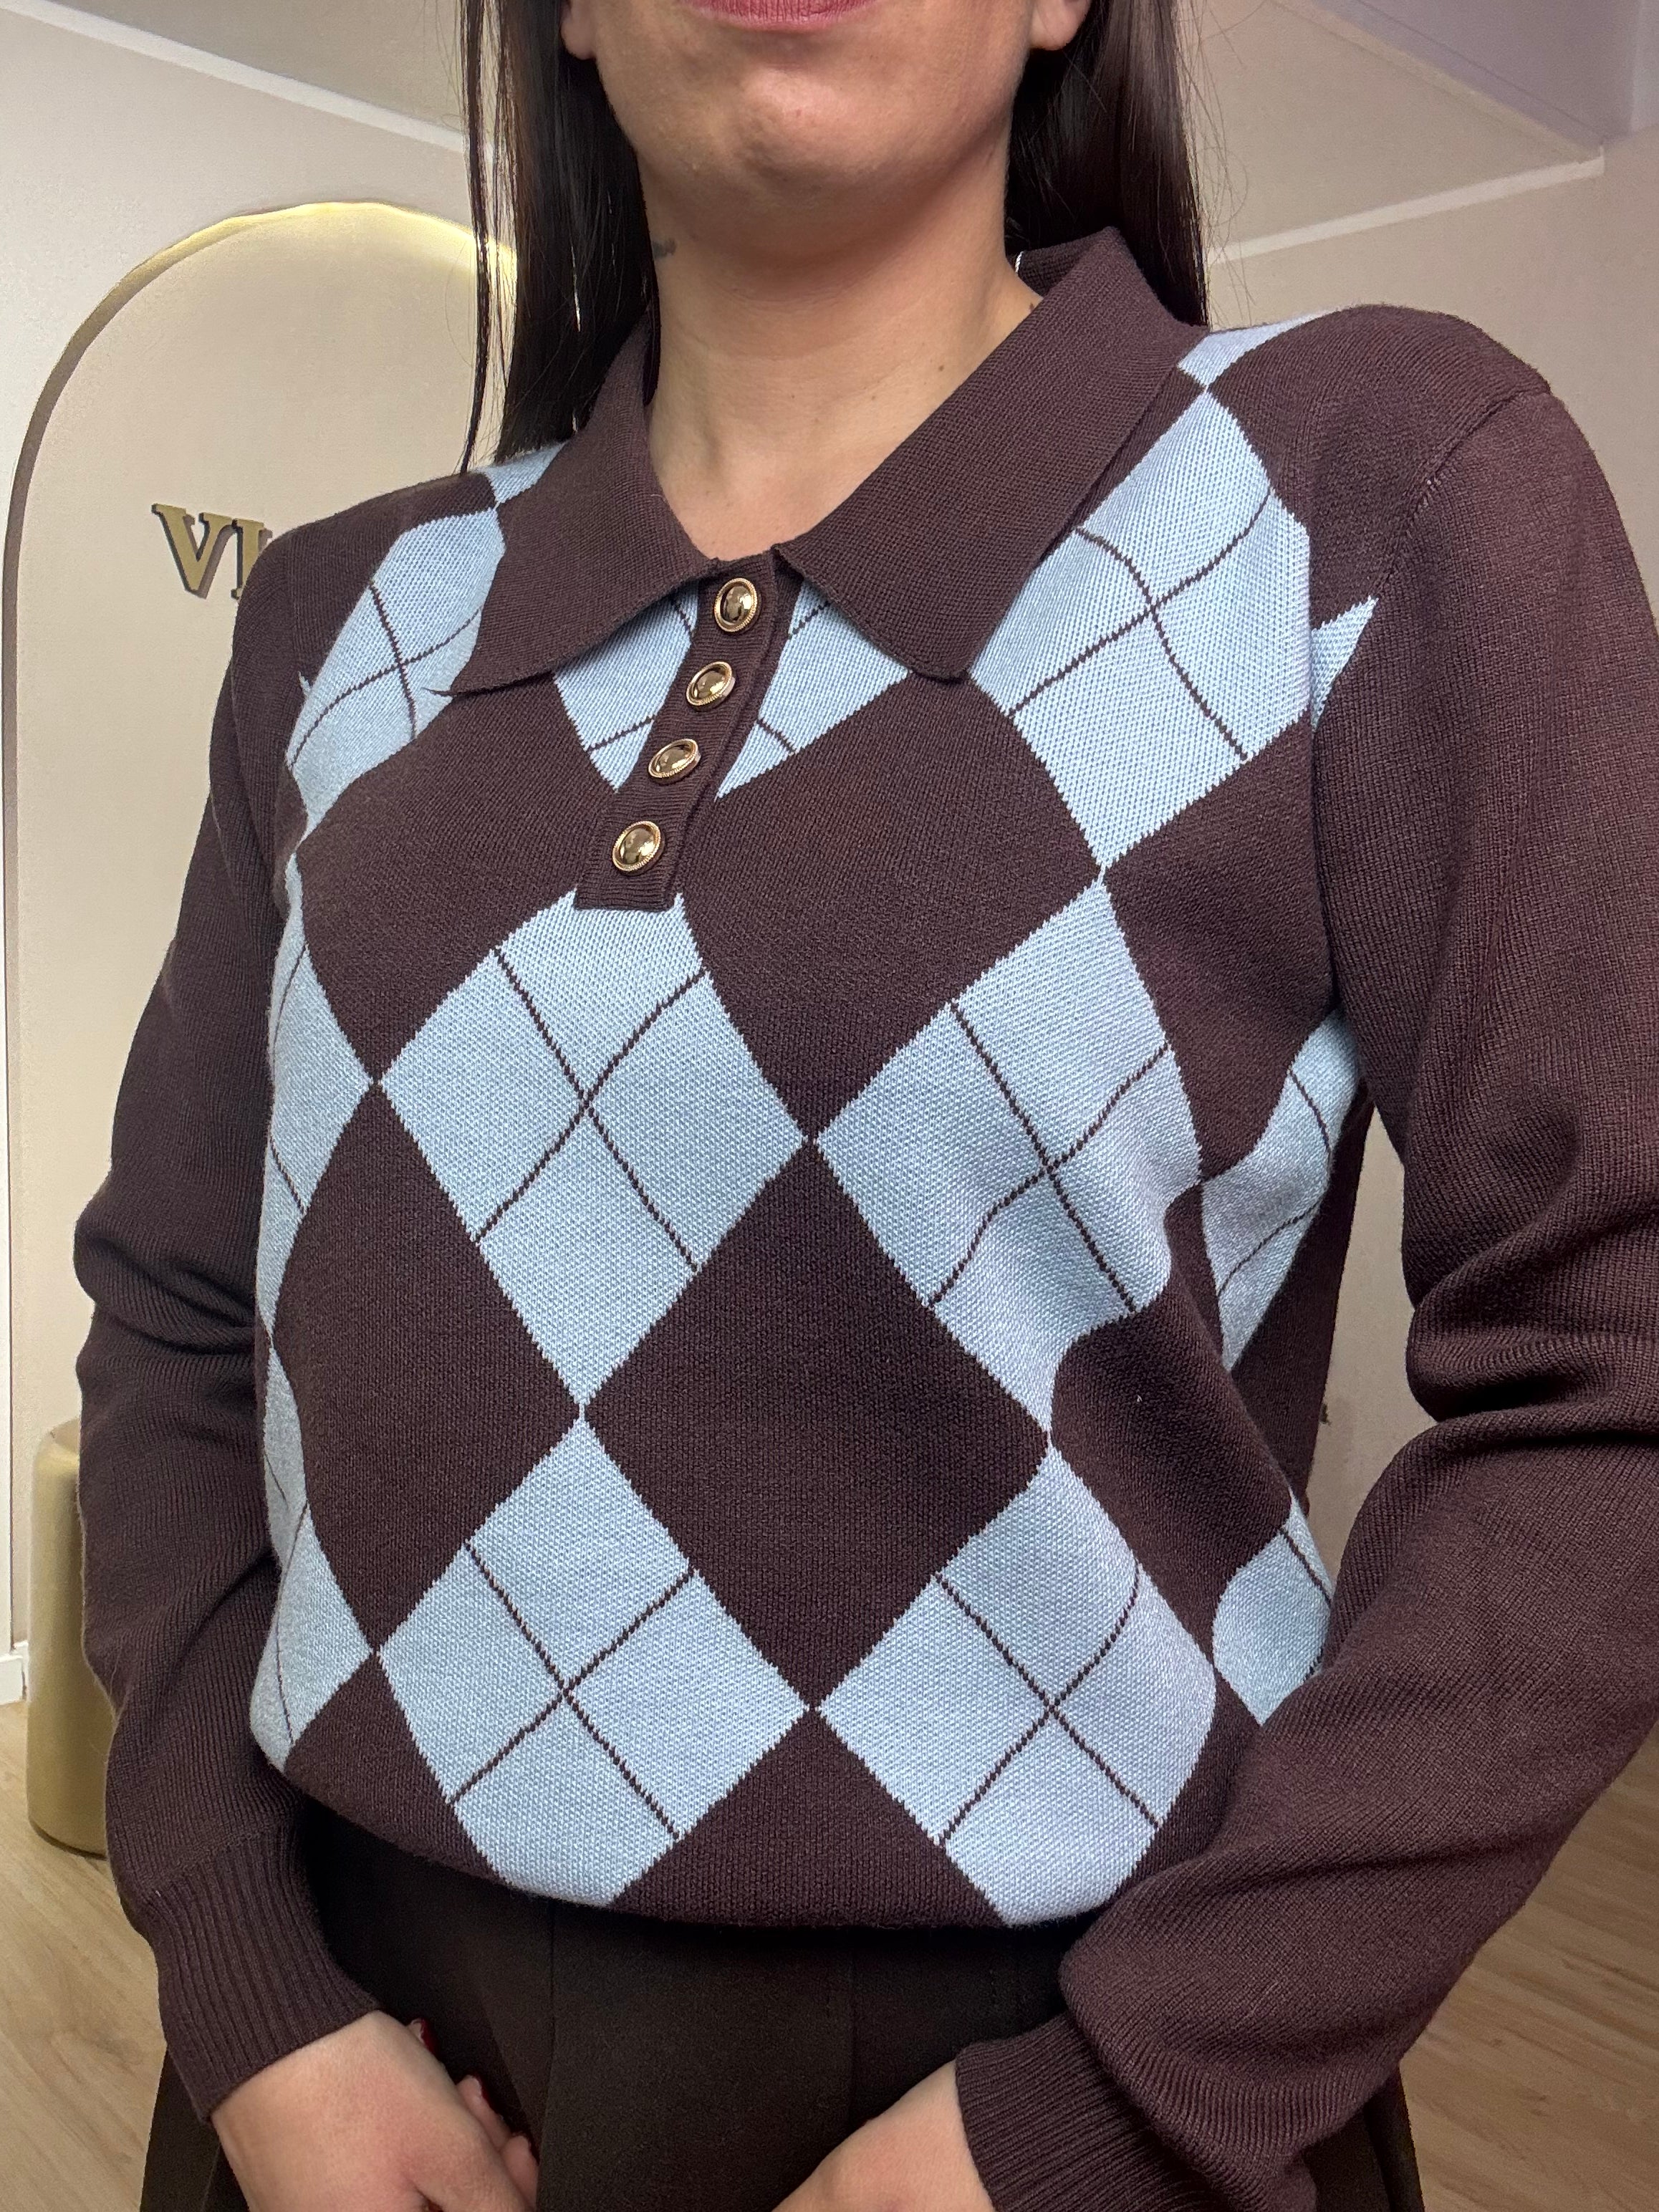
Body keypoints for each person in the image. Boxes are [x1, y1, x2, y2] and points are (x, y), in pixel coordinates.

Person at [70, 0, 1659, 2208]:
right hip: (354, 2077)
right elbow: (175, 1308)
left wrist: (1111, 2112)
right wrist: (253, 2000)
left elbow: (1608, 1386)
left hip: (1067, 2092)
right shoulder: (344, 612)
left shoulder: (1368, 490)